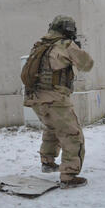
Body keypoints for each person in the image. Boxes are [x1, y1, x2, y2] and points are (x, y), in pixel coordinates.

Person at [23, 15, 94, 189]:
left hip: (35, 98)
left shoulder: (40, 45)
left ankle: (47, 161)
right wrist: (77, 48)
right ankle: (69, 175)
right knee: (72, 135)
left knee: (52, 128)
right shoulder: (66, 45)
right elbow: (88, 64)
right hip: (55, 98)